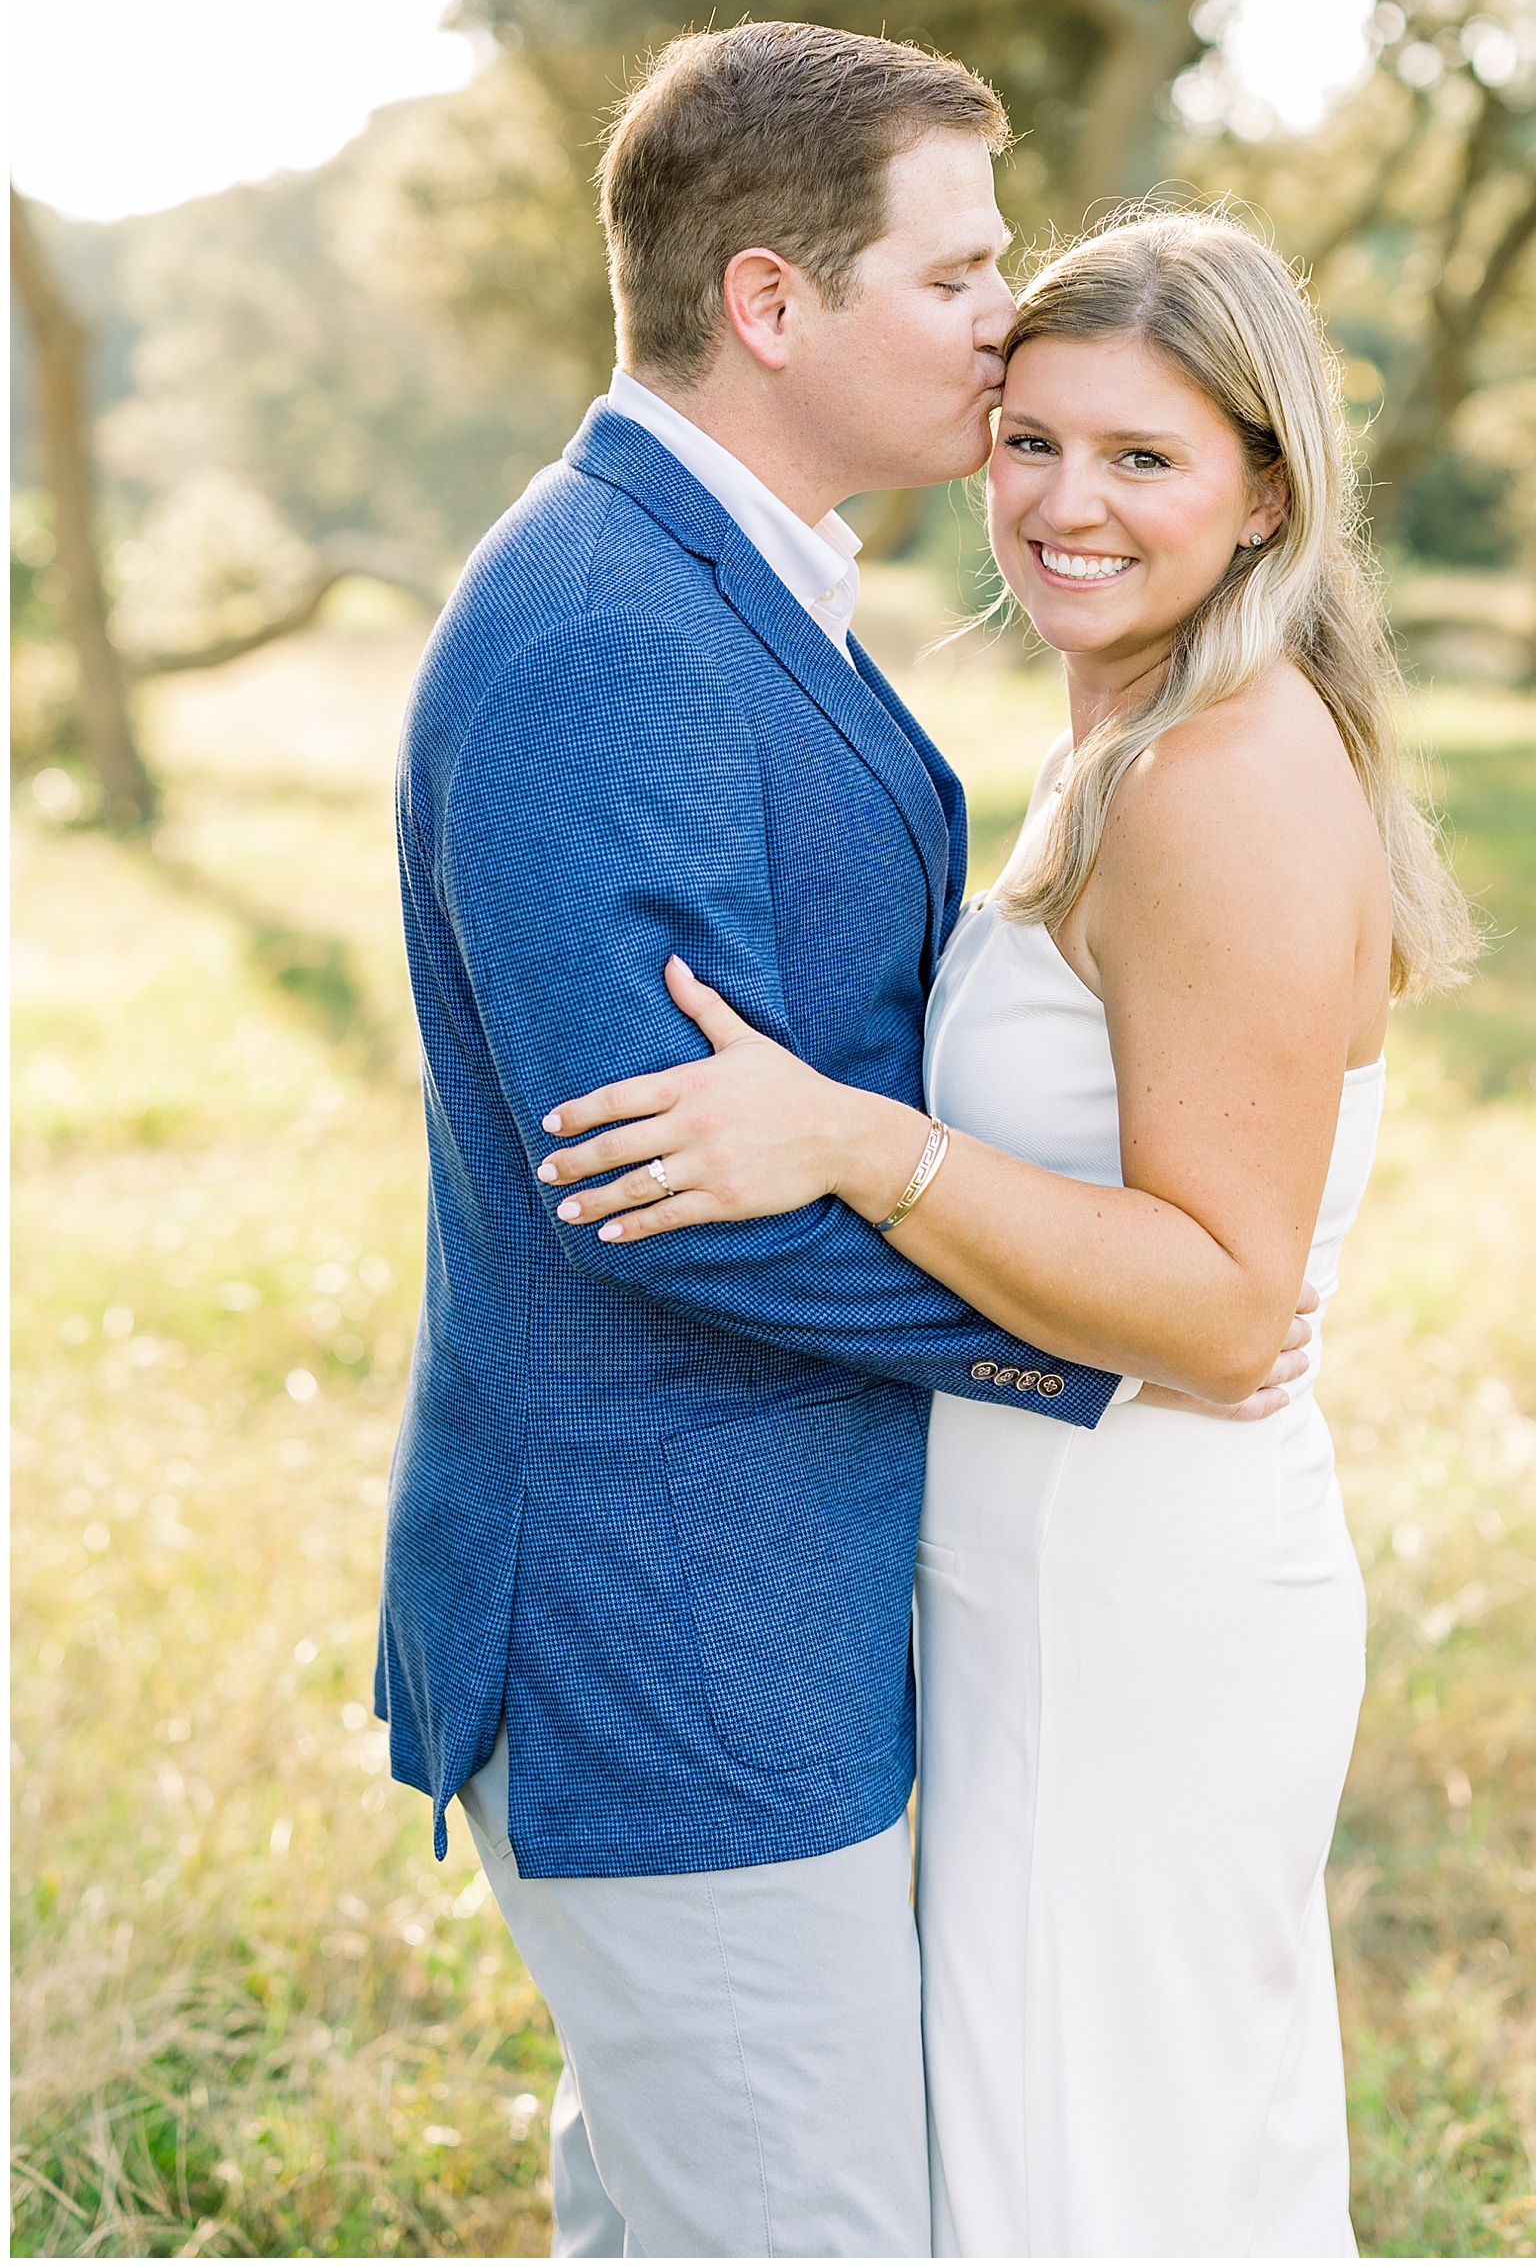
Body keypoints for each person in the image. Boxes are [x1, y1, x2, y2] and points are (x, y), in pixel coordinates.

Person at [374, 28, 1312, 2259]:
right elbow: (654, 1190)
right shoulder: (603, 627)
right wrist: (1111, 1345)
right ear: (777, 305)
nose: (1007, 316)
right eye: (959, 272)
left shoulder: (740, 576)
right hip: (668, 1628)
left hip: (792, 1599)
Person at [535, 210, 1479, 2255]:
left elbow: (1228, 1314)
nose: (1066, 504)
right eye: (1031, 439)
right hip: (1047, 1566)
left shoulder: (1221, 779)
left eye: (1145, 459)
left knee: (1097, 2173)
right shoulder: (1125, 737)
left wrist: (859, 1146)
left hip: (1121, 1598)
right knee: (1103, 2148)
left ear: (1264, 495)